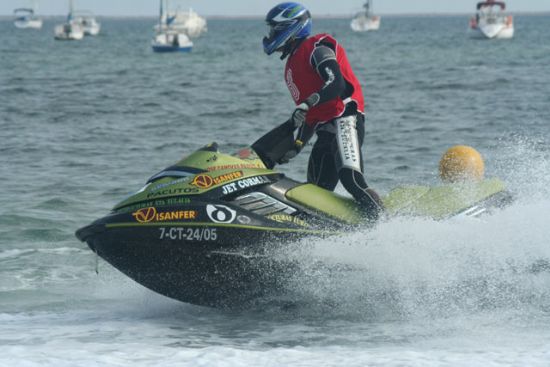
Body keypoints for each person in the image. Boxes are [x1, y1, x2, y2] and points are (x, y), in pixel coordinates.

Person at [262, 2, 383, 220]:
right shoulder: (291, 67)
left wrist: (308, 103)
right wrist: (297, 145)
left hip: (346, 119)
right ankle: (321, 236)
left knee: (351, 180)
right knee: (314, 192)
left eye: (274, 29)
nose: (271, 35)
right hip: (325, 130)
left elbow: (335, 83)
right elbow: (312, 116)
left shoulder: (317, 47)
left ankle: (386, 226)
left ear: (291, 28)